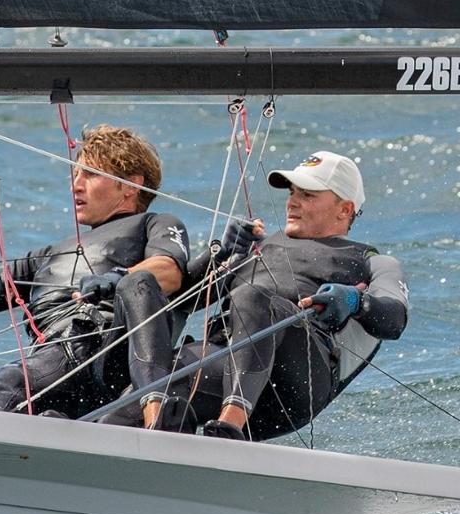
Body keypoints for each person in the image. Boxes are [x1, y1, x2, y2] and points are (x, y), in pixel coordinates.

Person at [0, 125, 189, 427]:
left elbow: (168, 271)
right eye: (75, 175)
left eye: (90, 175)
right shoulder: (48, 255)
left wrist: (119, 277)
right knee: (23, 379)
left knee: (12, 380)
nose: (75, 186)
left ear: (130, 185)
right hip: (53, 360)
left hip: (109, 351)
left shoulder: (154, 224)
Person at [156, 150, 409, 441]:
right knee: (160, 380)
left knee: (253, 296)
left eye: (308, 195)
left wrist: (355, 301)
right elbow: (179, 301)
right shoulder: (257, 248)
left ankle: (230, 427)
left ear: (344, 209)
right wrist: (219, 255)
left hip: (293, 381)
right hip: (228, 362)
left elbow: (395, 319)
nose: (292, 202)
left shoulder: (369, 261)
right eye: (292, 193)